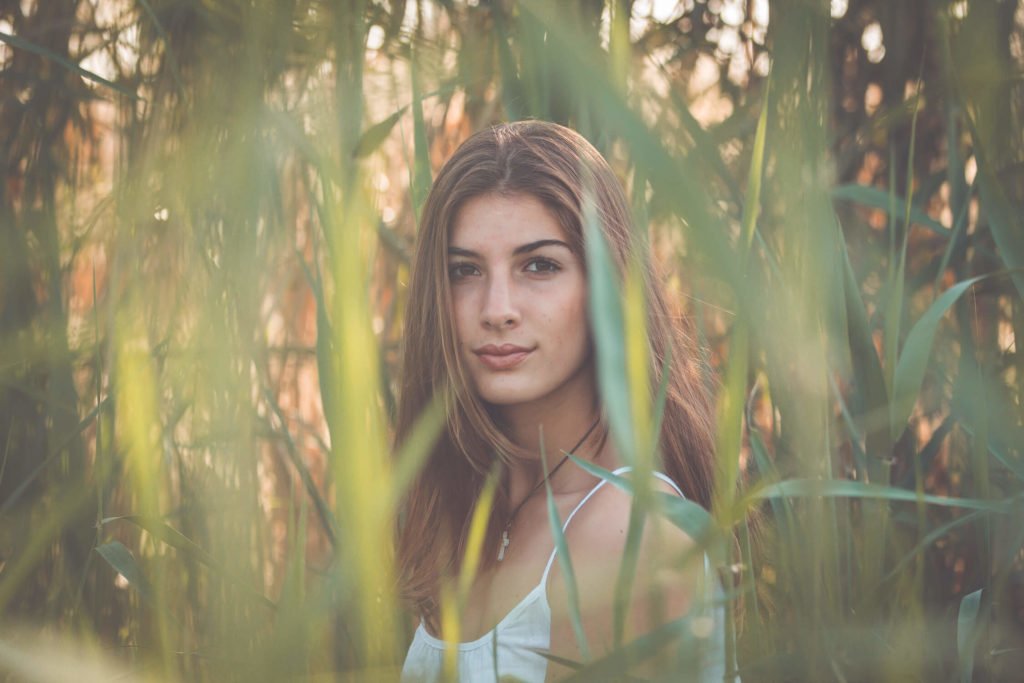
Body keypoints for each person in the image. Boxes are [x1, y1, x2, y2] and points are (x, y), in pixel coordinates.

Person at [395, 120, 731, 682]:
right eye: (465, 271)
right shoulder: (476, 507)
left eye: (539, 265)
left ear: (607, 283)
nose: (496, 309)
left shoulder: (629, 536)